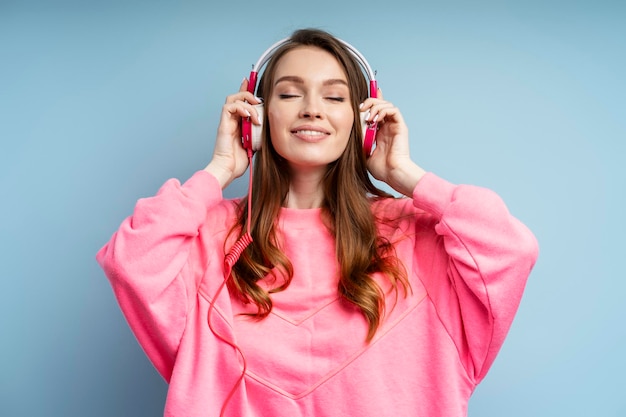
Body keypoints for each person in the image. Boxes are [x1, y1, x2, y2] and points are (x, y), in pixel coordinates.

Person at [96, 28, 538, 417]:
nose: (311, 109)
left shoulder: (414, 233)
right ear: (257, 115)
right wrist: (219, 169)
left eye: (333, 96)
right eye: (289, 94)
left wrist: (407, 177)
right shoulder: (210, 237)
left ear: (364, 120)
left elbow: (509, 249)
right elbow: (133, 259)